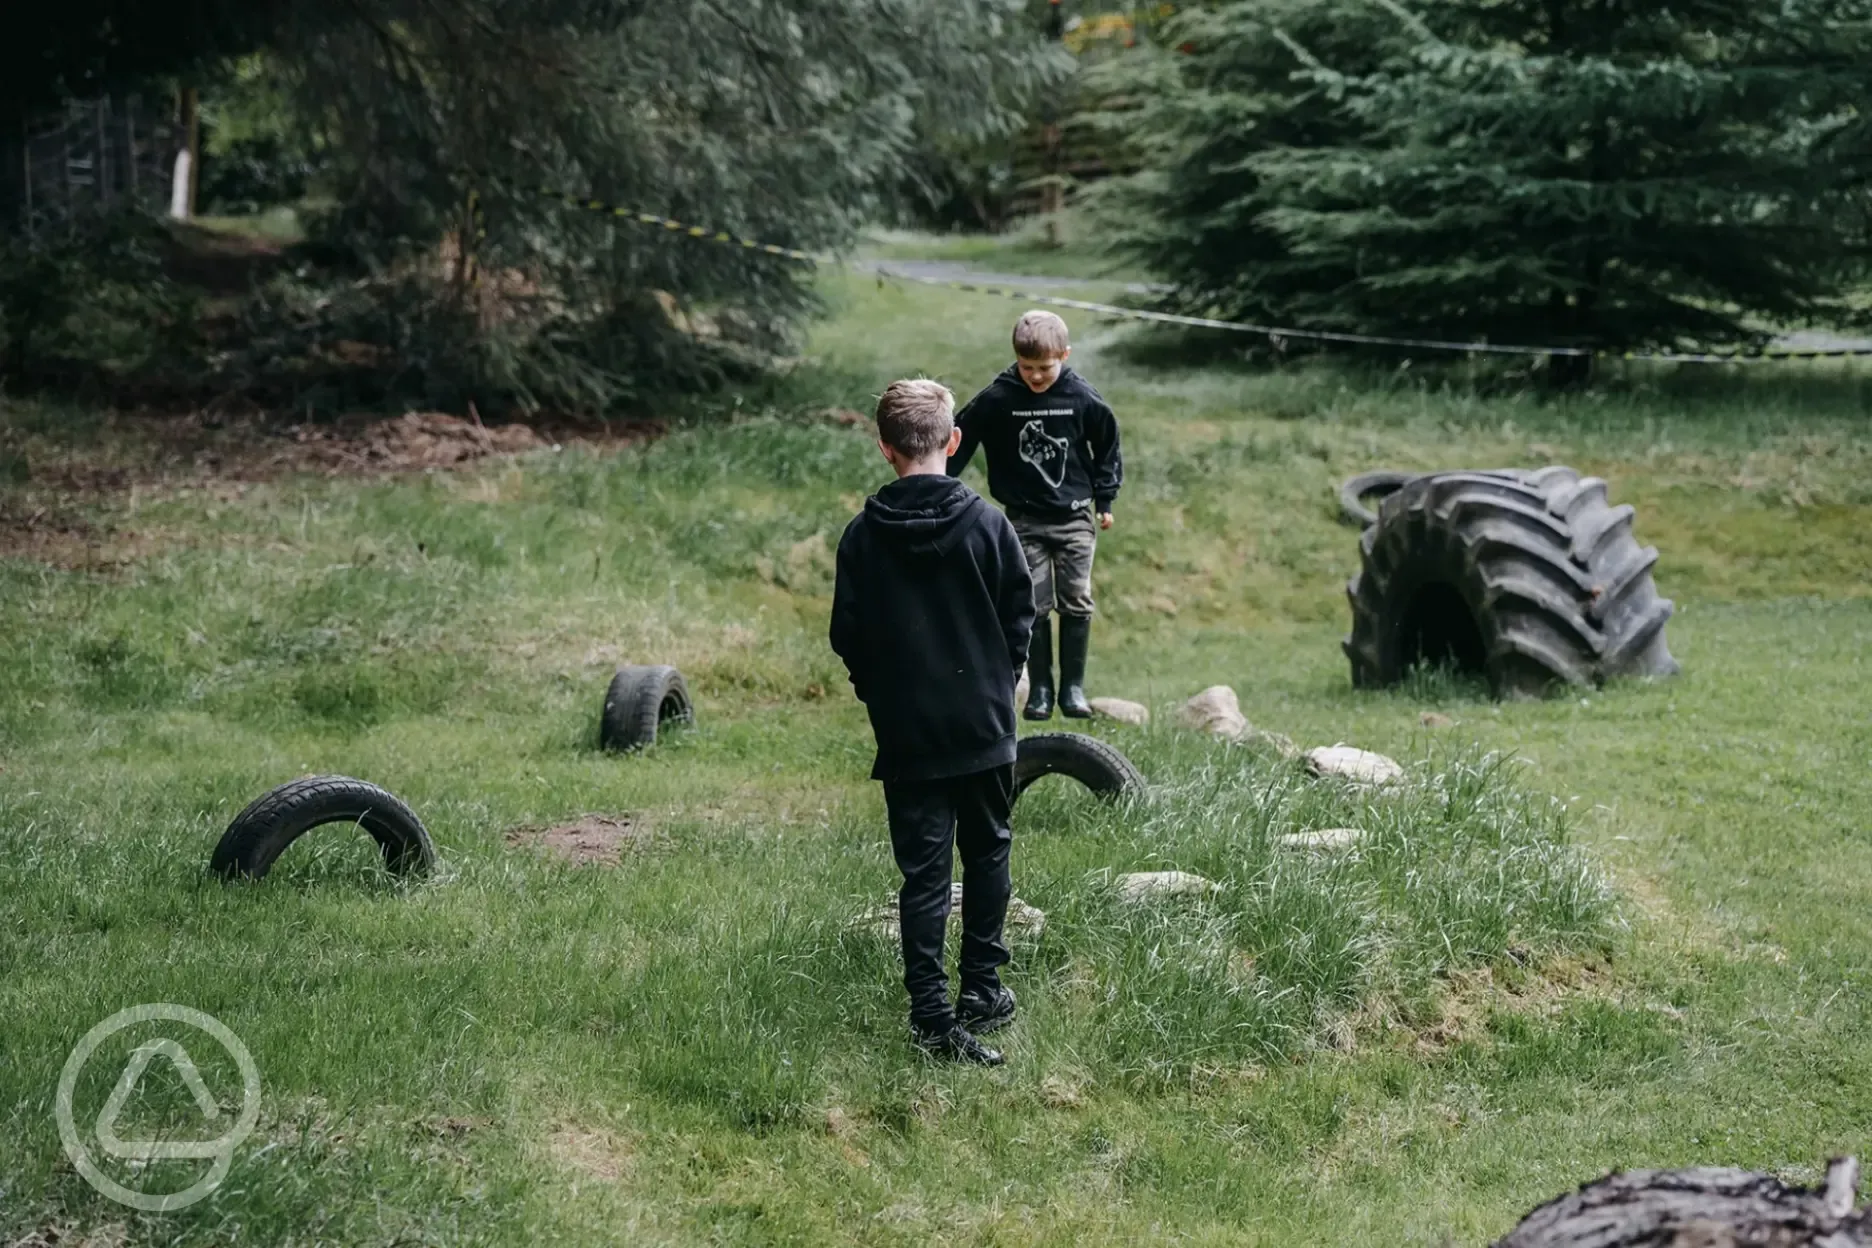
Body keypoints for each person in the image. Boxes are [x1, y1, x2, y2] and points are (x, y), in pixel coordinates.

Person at [830, 378, 1037, 1066]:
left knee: (923, 876)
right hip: (982, 723)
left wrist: (879, 695)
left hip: (908, 732)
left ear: (885, 448)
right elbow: (1019, 617)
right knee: (988, 852)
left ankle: (931, 1016)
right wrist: (1001, 684)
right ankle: (981, 986)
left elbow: (847, 635)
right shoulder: (988, 524)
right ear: (953, 442)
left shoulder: (862, 537)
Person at [948, 310, 1122, 721]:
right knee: (1035, 603)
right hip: (1023, 521)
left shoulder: (1082, 397)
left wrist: (1106, 500)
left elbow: (1108, 446)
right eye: (1027, 368)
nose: (1036, 377)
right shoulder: (999, 398)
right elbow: (961, 435)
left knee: (1076, 598)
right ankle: (1040, 689)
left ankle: (1073, 688)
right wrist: (939, 482)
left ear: (1065, 354)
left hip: (1074, 518)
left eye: (1045, 368)